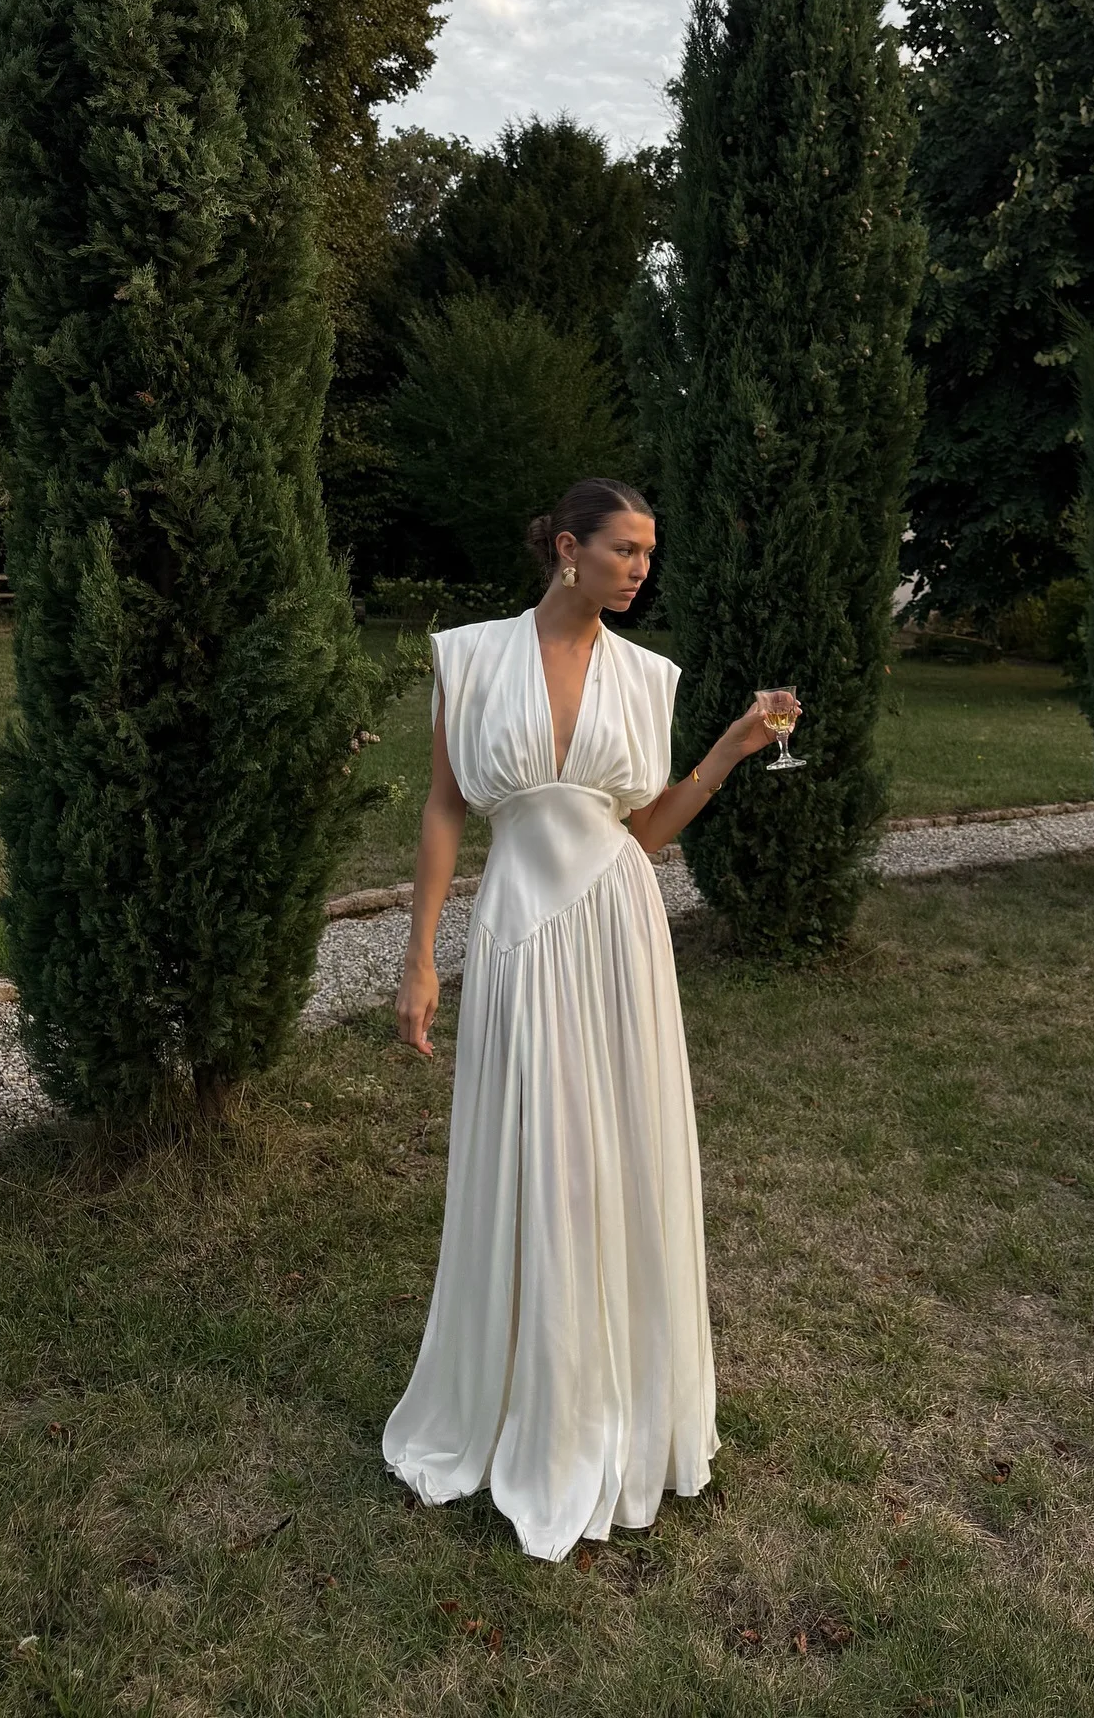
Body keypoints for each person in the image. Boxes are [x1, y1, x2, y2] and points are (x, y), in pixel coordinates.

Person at [383, 477, 801, 1562]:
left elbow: (641, 832)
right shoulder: (469, 657)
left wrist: (725, 754)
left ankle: (616, 1397)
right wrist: (421, 954)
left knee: (618, 1155)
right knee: (537, 1153)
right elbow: (444, 808)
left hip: (620, 932)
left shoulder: (648, 676)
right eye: (625, 549)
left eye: (650, 554)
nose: (641, 568)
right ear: (568, 549)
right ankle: (526, 1388)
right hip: (521, 933)